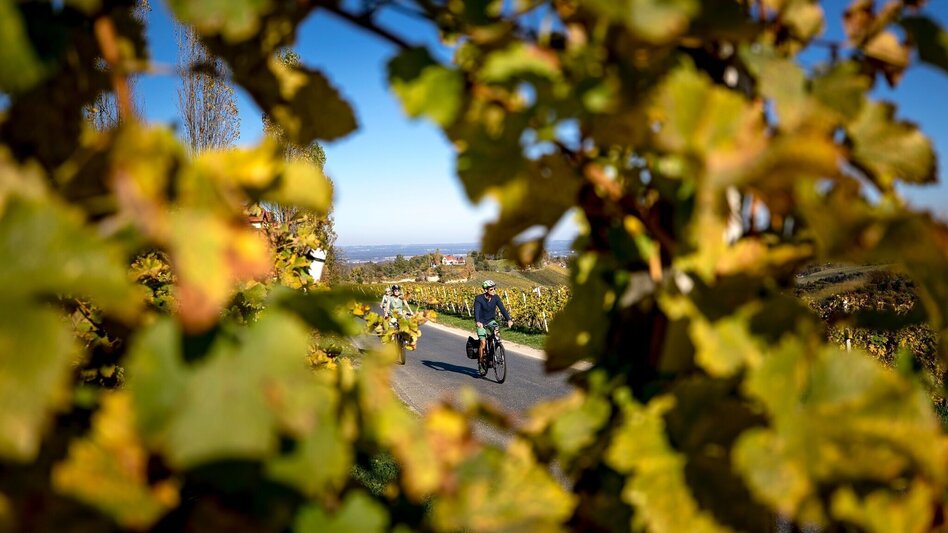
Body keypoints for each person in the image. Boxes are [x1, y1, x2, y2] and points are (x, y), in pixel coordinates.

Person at [474, 279, 512, 370]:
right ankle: (481, 361)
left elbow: (502, 309)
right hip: (481, 322)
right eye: (491, 289)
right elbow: (476, 311)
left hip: (491, 321)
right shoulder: (479, 299)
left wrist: (509, 319)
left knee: (496, 336)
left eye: (495, 288)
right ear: (486, 290)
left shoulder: (496, 298)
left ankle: (491, 357)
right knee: (483, 342)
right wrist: (478, 321)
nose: (494, 290)